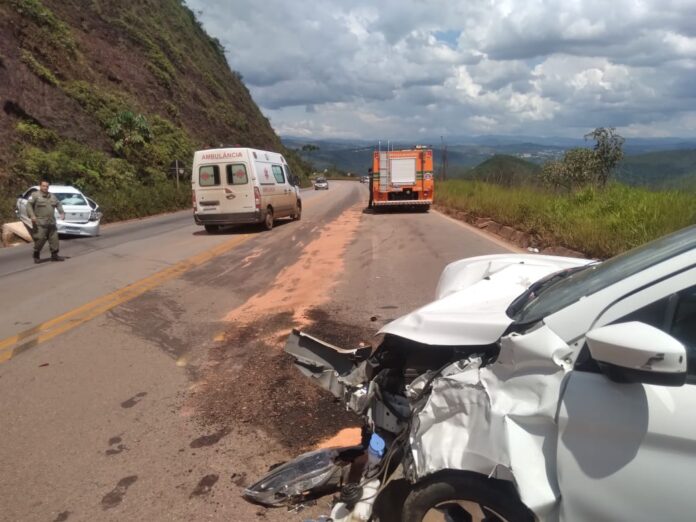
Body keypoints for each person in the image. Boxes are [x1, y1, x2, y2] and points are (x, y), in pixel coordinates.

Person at [26, 180, 65, 263]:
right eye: (43, 186)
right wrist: (32, 216)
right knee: (40, 239)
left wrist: (61, 212)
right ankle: (36, 255)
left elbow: (58, 204)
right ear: (40, 186)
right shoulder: (35, 195)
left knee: (54, 239)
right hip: (40, 222)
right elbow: (29, 205)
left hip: (51, 222)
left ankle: (55, 255)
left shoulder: (52, 196)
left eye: (47, 186)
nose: (45, 188)